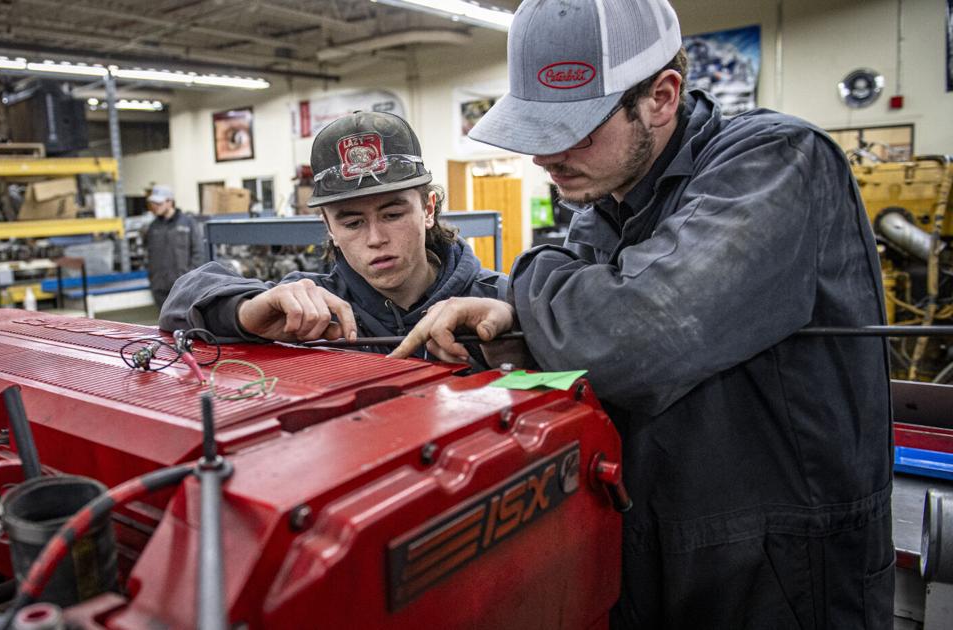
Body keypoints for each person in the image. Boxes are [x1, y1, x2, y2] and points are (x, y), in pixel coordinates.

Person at [390, 1, 893, 627]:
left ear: (661, 97)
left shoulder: (776, 160)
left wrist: (526, 282)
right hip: (658, 550)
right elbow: (578, 339)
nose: (545, 157)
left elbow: (630, 338)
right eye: (536, 132)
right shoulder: (606, 202)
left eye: (575, 129)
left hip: (786, 574)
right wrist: (519, 323)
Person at [159, 111, 507, 355]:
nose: (375, 238)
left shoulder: (497, 299)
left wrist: (510, 330)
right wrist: (245, 312)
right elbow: (179, 303)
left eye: (392, 214)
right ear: (329, 228)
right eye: (352, 223)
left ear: (428, 209)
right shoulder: (310, 307)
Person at [143, 185, 205, 308]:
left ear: (170, 202)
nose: (155, 206)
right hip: (160, 289)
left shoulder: (188, 223)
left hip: (184, 287)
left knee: (187, 318)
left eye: (159, 203)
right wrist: (153, 279)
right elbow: (149, 255)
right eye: (153, 203)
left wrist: (190, 278)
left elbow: (198, 253)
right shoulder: (153, 227)